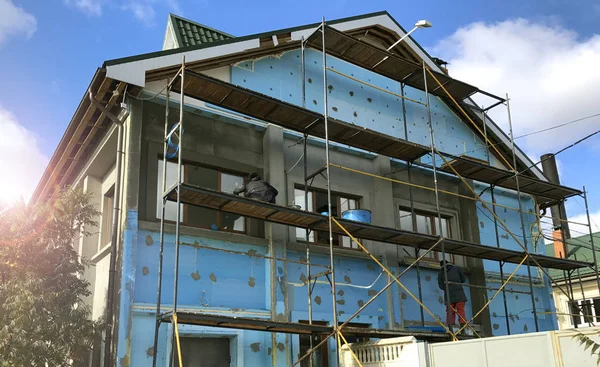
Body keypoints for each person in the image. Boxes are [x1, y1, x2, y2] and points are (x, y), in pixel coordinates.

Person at [438, 260, 467, 332]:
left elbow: (441, 286)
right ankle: (463, 328)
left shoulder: (441, 272)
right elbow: (463, 279)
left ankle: (450, 329)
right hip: (459, 294)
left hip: (448, 296)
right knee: (461, 310)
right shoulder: (457, 269)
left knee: (450, 312)